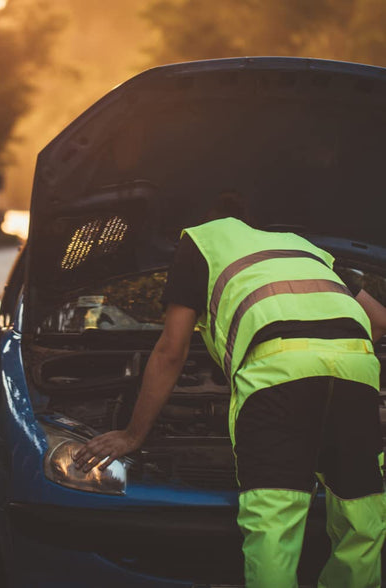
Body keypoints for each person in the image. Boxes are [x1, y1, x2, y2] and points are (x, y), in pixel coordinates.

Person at [74, 193, 386, 587]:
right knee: (361, 514)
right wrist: (329, 354)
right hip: (355, 365)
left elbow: (172, 349)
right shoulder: (304, 247)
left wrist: (133, 434)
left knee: (275, 519)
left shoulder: (202, 240)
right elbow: (378, 320)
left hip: (278, 372)